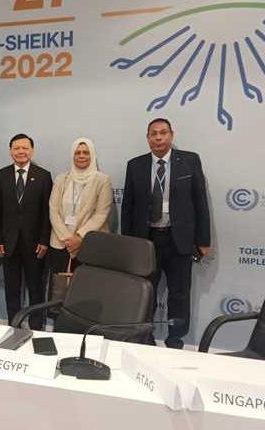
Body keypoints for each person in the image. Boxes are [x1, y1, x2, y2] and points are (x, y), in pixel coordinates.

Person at [121, 118, 211, 349]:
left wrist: (203, 240)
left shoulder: (189, 161)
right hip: (146, 241)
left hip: (178, 239)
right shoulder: (135, 165)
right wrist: (129, 244)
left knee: (179, 293)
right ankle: (144, 336)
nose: (158, 137)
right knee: (145, 292)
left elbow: (200, 202)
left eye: (163, 133)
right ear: (148, 138)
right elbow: (128, 207)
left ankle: (175, 339)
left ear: (171, 135)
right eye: (153, 134)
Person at [0, 133, 52, 329]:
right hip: (8, 244)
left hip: (35, 245)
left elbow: (47, 213)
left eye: (25, 148)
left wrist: (44, 240)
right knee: (12, 289)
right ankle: (13, 326)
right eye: (16, 148)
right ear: (10, 151)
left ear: (31, 151)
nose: (21, 151)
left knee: (36, 288)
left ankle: (36, 327)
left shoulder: (43, 176)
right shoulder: (0, 176)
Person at [49, 138, 112, 278]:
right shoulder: (61, 179)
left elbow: (101, 214)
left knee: (87, 286)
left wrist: (79, 237)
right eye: (77, 153)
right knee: (60, 288)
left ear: (92, 155)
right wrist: (67, 239)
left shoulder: (102, 180)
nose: (81, 156)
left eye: (86, 152)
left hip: (89, 243)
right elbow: (53, 211)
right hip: (61, 243)